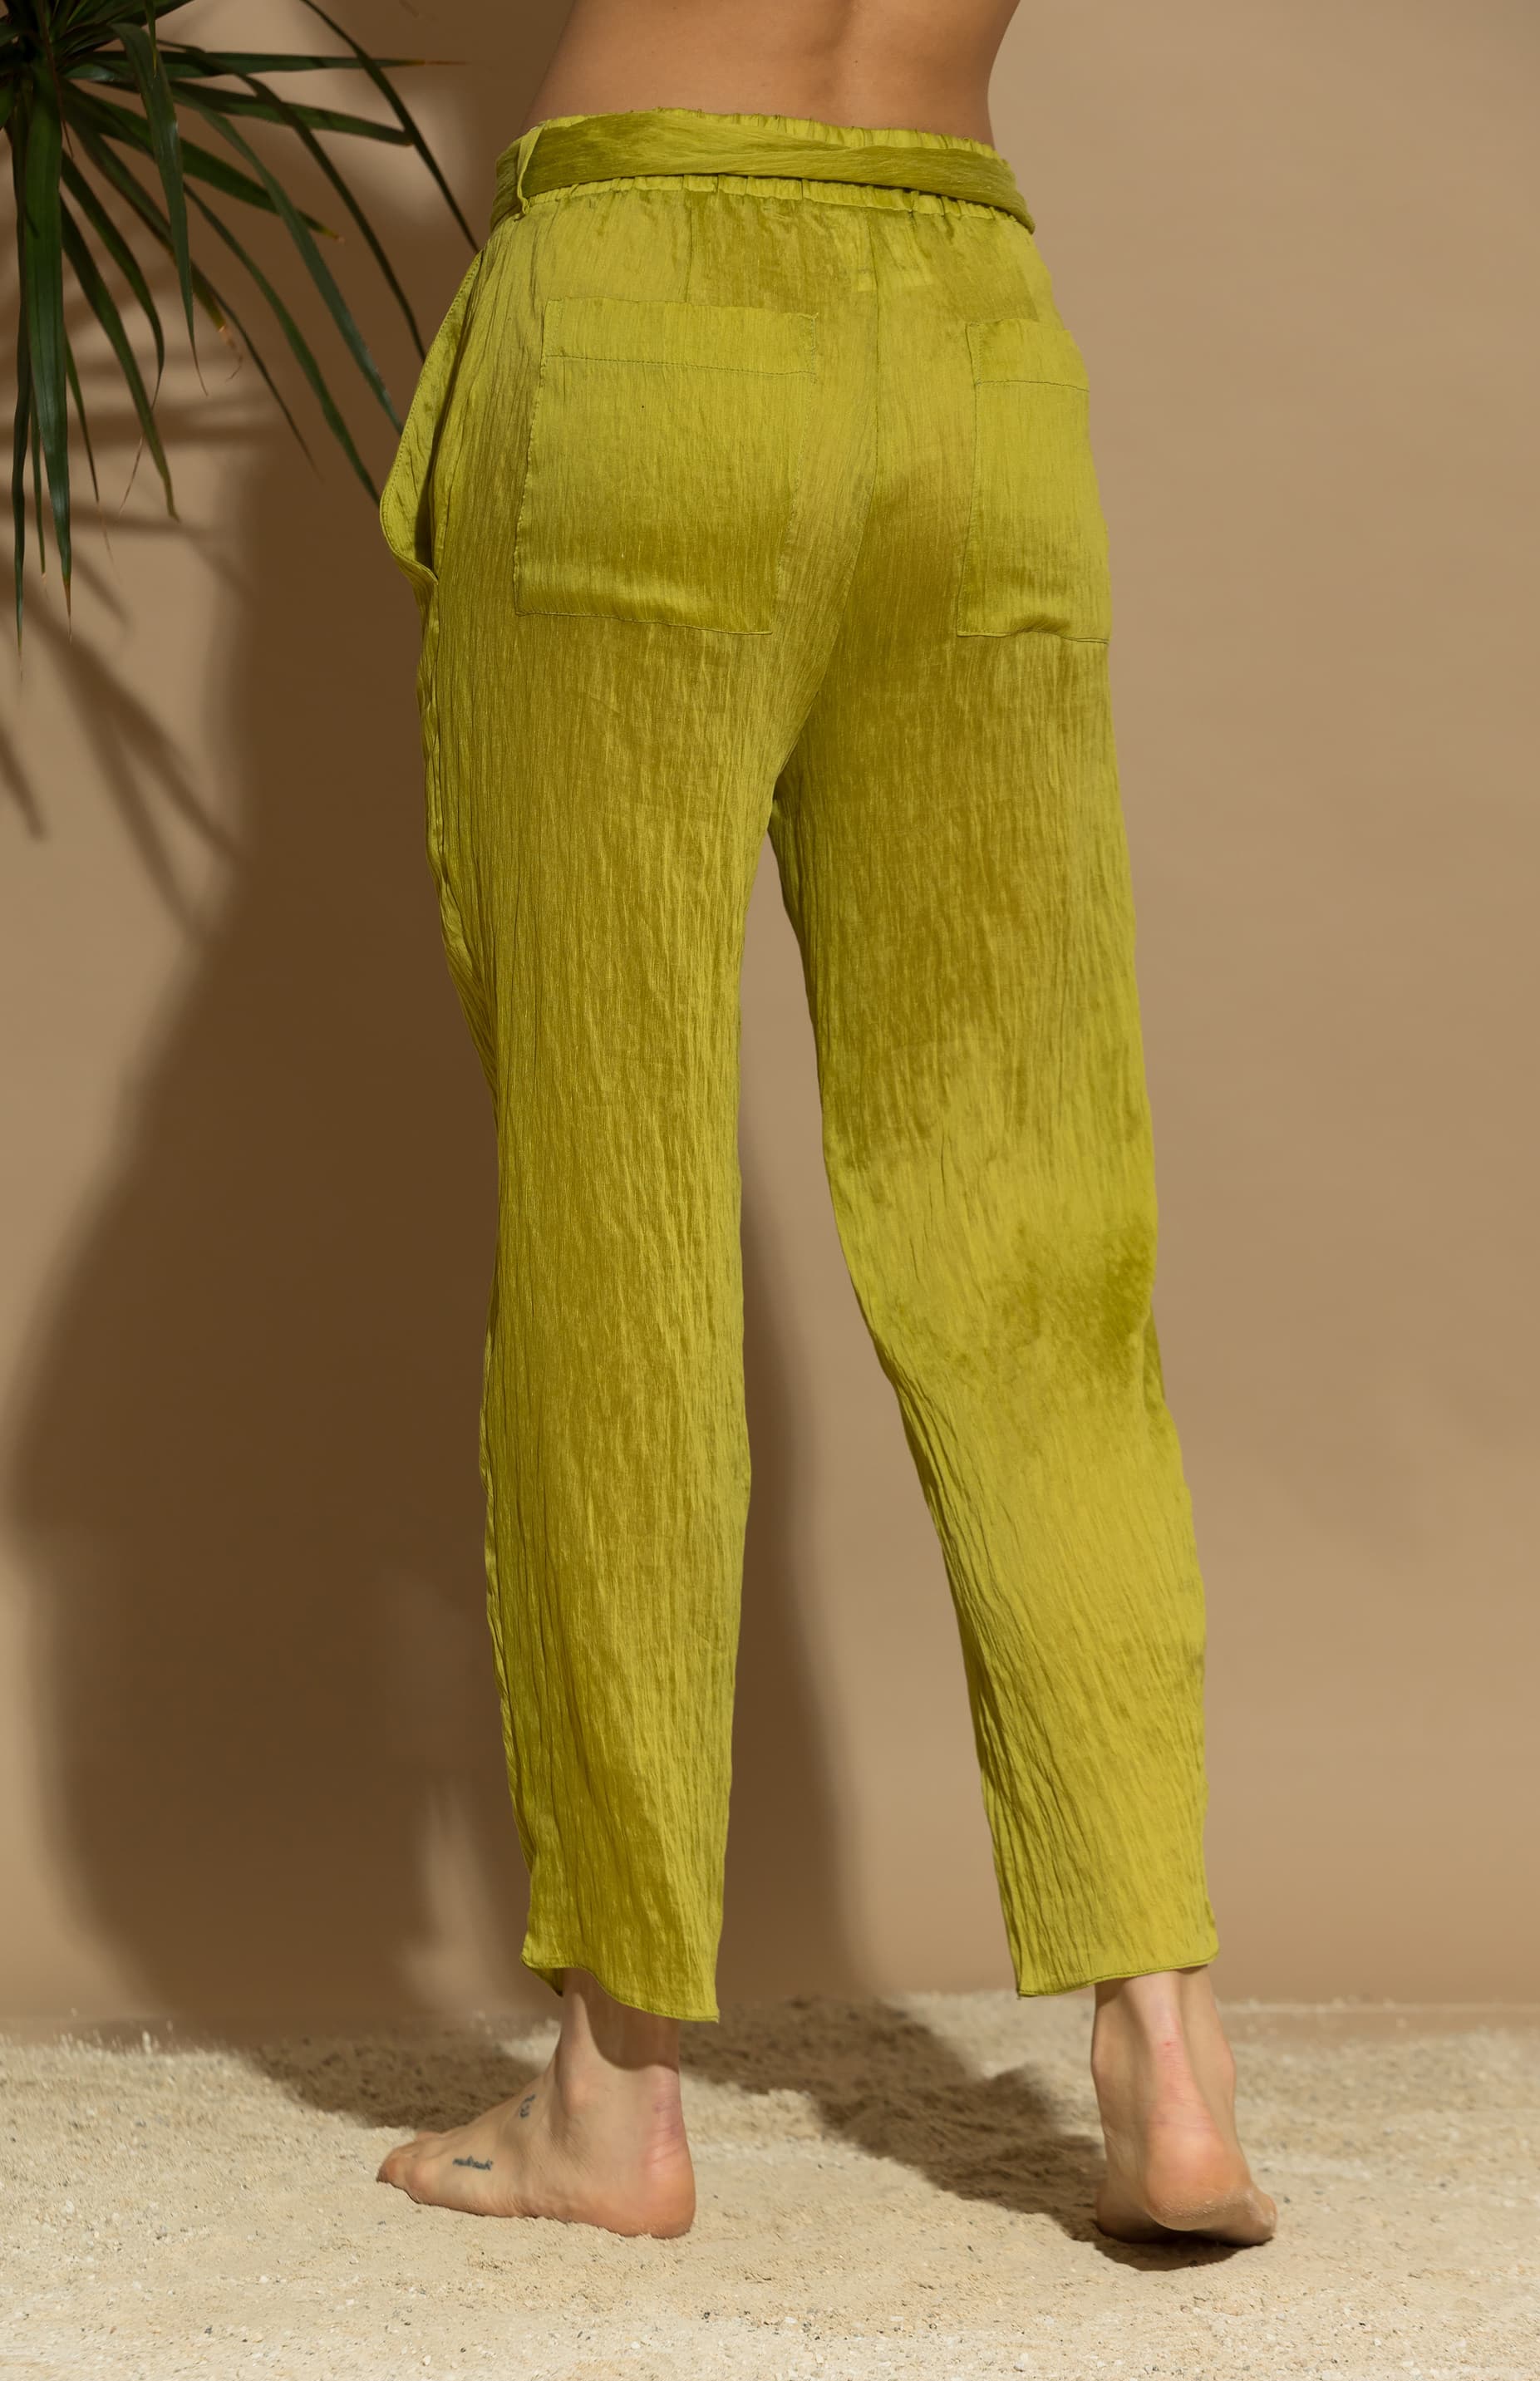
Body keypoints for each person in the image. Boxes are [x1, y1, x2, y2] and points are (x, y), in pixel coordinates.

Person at [373, 0, 1275, 2248]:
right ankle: (1168, 2051)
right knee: (1033, 1225)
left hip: (646, 308)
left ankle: (613, 2098)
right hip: (968, 336)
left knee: (619, 1219)